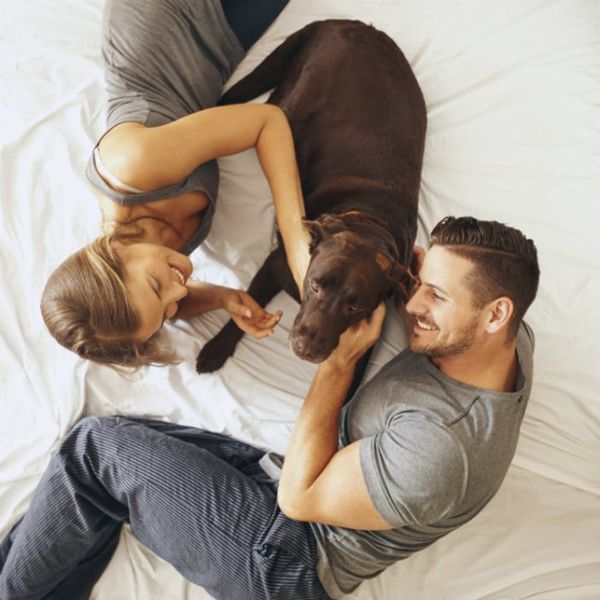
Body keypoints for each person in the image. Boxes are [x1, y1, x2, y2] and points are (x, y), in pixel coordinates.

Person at [0, 216, 540, 599]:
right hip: (276, 498)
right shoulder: (508, 339)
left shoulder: (440, 451)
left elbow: (299, 499)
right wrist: (410, 278)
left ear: (496, 314)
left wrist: (339, 363)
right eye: (421, 285)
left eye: (435, 296)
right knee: (106, 474)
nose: (413, 303)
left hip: (286, 560)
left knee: (93, 451)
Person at [40, 0, 311, 368]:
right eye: (165, 312)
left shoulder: (134, 164)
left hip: (165, 16)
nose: (179, 289)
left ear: (114, 253)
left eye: (158, 287)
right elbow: (166, 303)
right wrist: (224, 298)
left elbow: (267, 122)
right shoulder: (149, 255)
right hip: (216, 51)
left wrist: (296, 240)